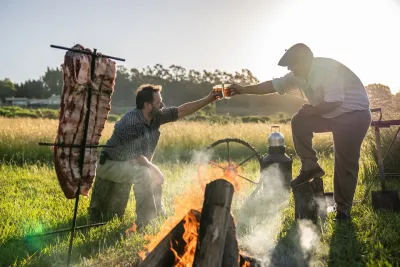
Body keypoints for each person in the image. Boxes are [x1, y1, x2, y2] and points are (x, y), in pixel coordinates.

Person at [229, 43, 371, 221]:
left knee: (344, 161)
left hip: (353, 114)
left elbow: (335, 101)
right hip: (331, 114)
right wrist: (243, 89)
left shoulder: (327, 68)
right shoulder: (298, 75)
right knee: (299, 121)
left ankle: (343, 211)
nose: (289, 68)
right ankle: (310, 166)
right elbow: (272, 86)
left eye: (292, 64)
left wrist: (312, 110)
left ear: (304, 61)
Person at [89, 84, 218, 230]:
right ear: (147, 105)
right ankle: (146, 222)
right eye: (159, 103)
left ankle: (159, 214)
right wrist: (156, 171)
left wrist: (209, 99)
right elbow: (139, 159)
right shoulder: (131, 122)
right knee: (144, 173)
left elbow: (182, 110)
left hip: (128, 163)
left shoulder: (155, 117)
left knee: (149, 172)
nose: (162, 105)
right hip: (110, 165)